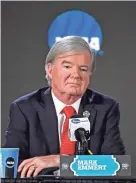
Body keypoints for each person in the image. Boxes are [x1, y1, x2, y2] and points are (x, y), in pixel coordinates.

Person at [4, 36, 125, 178]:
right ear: (50, 70)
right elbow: (10, 165)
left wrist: (60, 161)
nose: (76, 75)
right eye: (67, 66)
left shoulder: (105, 108)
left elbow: (118, 165)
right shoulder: (24, 108)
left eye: (83, 69)